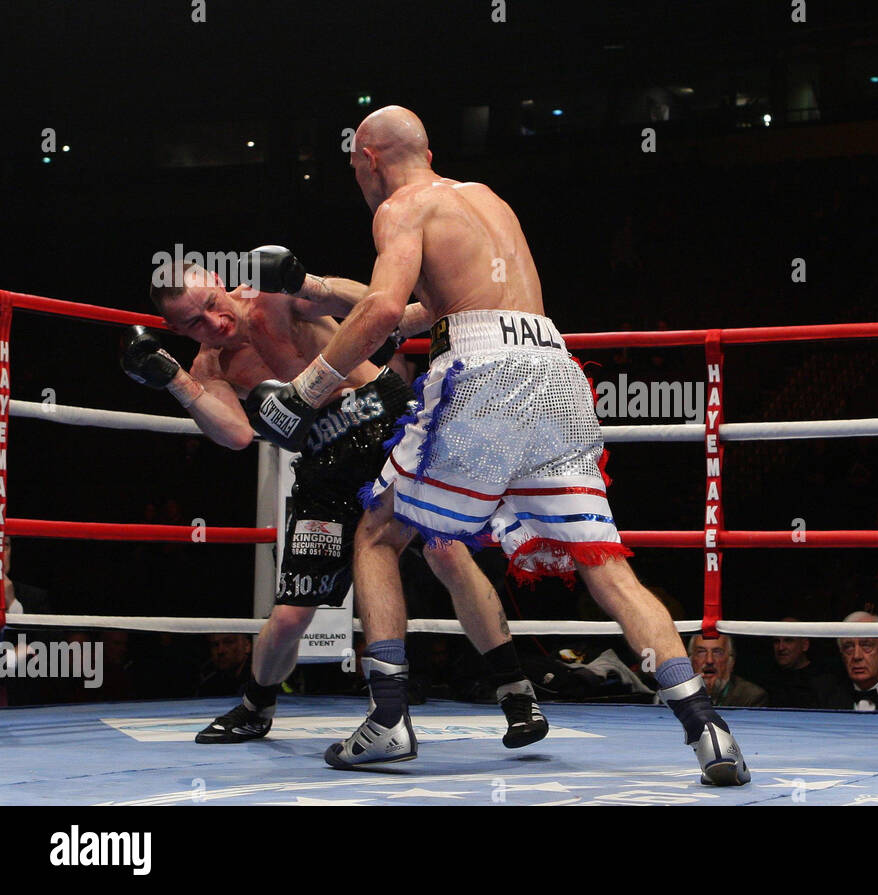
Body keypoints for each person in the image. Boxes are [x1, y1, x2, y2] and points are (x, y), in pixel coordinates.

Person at [245, 105, 748, 784]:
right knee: (606, 565)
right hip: (553, 368)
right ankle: (705, 725)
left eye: (353, 167)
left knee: (377, 533)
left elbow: (386, 311)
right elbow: (424, 305)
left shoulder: (399, 208)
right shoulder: (485, 200)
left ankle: (389, 717)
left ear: (369, 159)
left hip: (481, 372)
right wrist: (311, 288)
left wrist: (304, 392)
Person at [123, 253, 547, 749]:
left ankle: (517, 693)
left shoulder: (273, 296)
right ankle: (256, 705)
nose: (215, 322)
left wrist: (308, 281)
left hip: (388, 424)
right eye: (195, 323)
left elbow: (374, 304)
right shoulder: (209, 367)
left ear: (220, 282)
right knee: (291, 612)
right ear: (176, 328)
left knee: (445, 552)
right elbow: (236, 434)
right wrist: (175, 381)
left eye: (213, 304)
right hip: (324, 462)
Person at [688, 634, 768, 707]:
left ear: (731, 662)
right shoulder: (678, 694)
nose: (709, 660)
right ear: (690, 660)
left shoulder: (750, 697)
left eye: (717, 652)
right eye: (701, 652)